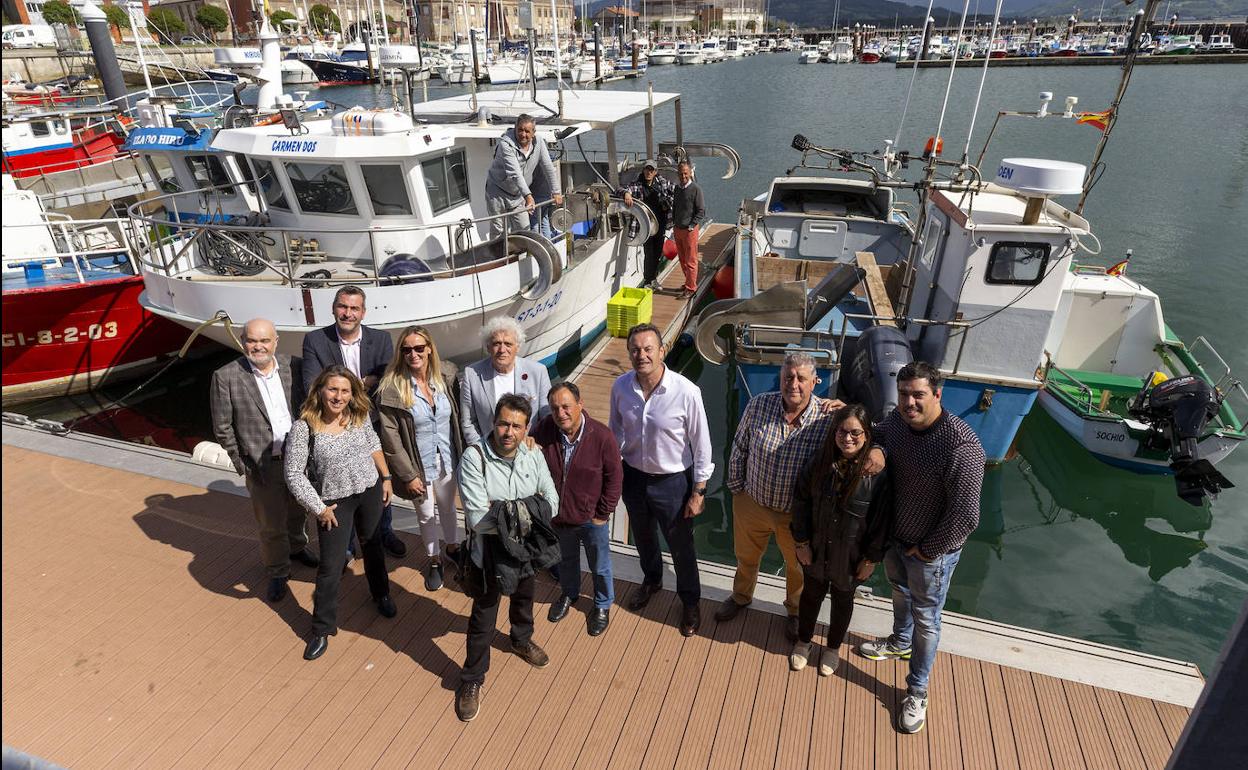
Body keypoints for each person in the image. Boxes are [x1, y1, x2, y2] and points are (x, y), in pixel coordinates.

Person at [856, 362, 985, 735]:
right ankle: (899, 642)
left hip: (932, 552)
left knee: (928, 618)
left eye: (918, 395)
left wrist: (928, 551)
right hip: (897, 539)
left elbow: (966, 516)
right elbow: (878, 433)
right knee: (898, 592)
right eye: (903, 394)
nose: (909, 403)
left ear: (937, 395)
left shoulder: (961, 445)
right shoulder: (897, 421)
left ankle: (917, 689)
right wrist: (877, 447)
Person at [718, 353, 846, 640]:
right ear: (780, 378)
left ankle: (794, 611)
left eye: (802, 378)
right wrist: (736, 487)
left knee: (798, 566)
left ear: (816, 382)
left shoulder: (827, 419)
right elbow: (740, 446)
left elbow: (861, 438)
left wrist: (848, 411)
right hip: (752, 502)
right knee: (746, 557)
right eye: (788, 376)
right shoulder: (759, 404)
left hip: (795, 515)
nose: (794, 384)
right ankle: (740, 597)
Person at [456, 394, 560, 722]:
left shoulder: (533, 453)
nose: (508, 431)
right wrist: (531, 507)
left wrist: (503, 510)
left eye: (516, 425)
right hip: (489, 553)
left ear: (526, 428)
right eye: (503, 423)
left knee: (525, 598)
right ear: (494, 422)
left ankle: (521, 640)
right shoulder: (475, 459)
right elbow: (477, 519)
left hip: (526, 549)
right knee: (483, 616)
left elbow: (553, 501)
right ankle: (472, 679)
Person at [284, 366, 397, 662]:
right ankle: (322, 628)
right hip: (333, 503)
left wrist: (385, 477)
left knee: (372, 546)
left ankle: (381, 593)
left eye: (345, 391)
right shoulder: (304, 427)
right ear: (320, 390)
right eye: (333, 389)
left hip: (369, 491)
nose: (339, 396)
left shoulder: (358, 415)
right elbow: (294, 474)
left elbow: (373, 443)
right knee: (331, 567)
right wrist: (318, 508)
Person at [609, 322, 712, 637]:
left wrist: (698, 491)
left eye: (648, 348)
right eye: (635, 349)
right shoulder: (621, 388)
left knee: (681, 546)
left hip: (673, 483)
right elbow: (614, 433)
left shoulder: (686, 392)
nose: (642, 355)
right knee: (643, 537)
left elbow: (702, 444)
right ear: (629, 353)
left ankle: (690, 601)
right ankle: (652, 580)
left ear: (662, 350)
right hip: (634, 477)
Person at [209, 318, 317, 603]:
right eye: (252, 341)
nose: (258, 346)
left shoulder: (294, 366)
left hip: (298, 460)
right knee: (271, 523)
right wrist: (242, 462)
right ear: (243, 341)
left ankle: (297, 547)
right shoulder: (226, 376)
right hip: (262, 464)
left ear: (275, 341)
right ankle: (278, 571)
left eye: (264, 341)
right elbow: (222, 427)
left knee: (298, 511)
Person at [301, 286, 405, 559]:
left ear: (363, 312)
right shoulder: (315, 340)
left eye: (354, 308)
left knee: (379, 480)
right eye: (343, 307)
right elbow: (312, 383)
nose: (348, 313)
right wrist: (352, 389)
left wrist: (365, 382)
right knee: (339, 484)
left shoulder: (381, 339)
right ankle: (345, 544)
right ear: (334, 308)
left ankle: (385, 532)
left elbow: (387, 379)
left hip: (372, 421)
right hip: (335, 424)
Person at [790, 404, 892, 677]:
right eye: (842, 431)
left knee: (843, 601)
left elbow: (882, 522)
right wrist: (801, 543)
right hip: (816, 549)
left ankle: (833, 648)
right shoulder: (818, 464)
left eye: (855, 433)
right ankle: (804, 641)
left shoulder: (877, 476)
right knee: (810, 596)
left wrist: (871, 559)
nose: (848, 438)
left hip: (851, 556)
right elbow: (800, 502)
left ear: (867, 435)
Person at [376, 326, 463, 593]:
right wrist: (408, 475)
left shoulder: (445, 377)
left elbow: (457, 419)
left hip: (447, 458)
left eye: (418, 348)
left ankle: (452, 548)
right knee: (426, 515)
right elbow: (391, 441)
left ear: (429, 349)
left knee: (448, 509)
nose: (413, 354)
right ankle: (434, 559)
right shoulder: (391, 389)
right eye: (406, 349)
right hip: (418, 466)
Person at [533, 382, 623, 637]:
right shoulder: (545, 429)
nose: (561, 413)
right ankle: (569, 593)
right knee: (566, 560)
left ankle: (602, 604)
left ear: (580, 405)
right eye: (554, 408)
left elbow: (614, 478)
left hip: (590, 517)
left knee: (600, 564)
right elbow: (527, 447)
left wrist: (602, 514)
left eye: (566, 407)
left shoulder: (602, 436)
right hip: (559, 517)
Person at [459, 316, 552, 446]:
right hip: (489, 450)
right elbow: (468, 421)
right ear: (488, 347)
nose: (502, 350)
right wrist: (481, 449)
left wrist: (536, 443)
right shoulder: (472, 374)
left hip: (528, 448)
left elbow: (547, 415)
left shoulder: (538, 372)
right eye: (497, 343)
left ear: (517, 347)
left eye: (508, 344)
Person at [484, 113, 563, 239]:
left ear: (533, 132)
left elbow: (548, 167)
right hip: (497, 192)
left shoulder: (539, 143)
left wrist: (556, 191)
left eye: (527, 131)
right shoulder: (506, 144)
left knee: (524, 228)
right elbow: (515, 173)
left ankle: (524, 256)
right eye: (520, 130)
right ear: (515, 128)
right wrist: (528, 196)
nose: (523, 134)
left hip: (518, 194)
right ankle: (500, 256)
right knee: (498, 229)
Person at [621, 159, 675, 289]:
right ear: (643, 170)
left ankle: (653, 279)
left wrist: (668, 202)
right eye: (646, 169)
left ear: (655, 172)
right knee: (648, 253)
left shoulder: (662, 183)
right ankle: (647, 280)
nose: (648, 172)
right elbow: (622, 189)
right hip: (646, 225)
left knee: (657, 253)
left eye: (651, 170)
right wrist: (626, 193)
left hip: (660, 223)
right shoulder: (637, 185)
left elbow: (676, 190)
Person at [670, 160, 706, 299]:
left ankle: (691, 289)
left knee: (691, 261)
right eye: (680, 173)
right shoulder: (677, 189)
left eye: (685, 173)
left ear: (690, 173)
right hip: (678, 228)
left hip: (690, 230)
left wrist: (692, 225)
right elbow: (675, 207)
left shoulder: (696, 189)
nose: (683, 176)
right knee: (682, 259)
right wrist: (674, 223)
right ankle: (688, 283)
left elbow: (701, 211)